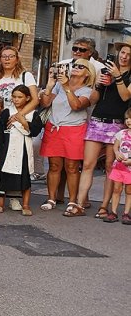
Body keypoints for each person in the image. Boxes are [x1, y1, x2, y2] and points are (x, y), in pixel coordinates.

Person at [37, 59, 99, 216]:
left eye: (80, 66)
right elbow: (45, 103)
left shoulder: (88, 91)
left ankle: (72, 201)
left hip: (74, 129)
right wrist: (50, 85)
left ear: (87, 73)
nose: (76, 68)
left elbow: (77, 106)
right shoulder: (59, 85)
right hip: (55, 128)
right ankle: (51, 198)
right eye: (75, 65)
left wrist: (66, 86)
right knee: (54, 165)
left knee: (71, 167)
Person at [79, 43, 131, 218]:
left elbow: (125, 96)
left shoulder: (128, 75)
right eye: (123, 52)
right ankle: (78, 204)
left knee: (110, 165)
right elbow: (94, 99)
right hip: (97, 120)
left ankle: (104, 206)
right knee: (87, 164)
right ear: (118, 53)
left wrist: (117, 77)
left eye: (129, 54)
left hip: (117, 123)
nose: (125, 57)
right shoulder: (105, 70)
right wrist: (98, 86)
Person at [0, 86, 43, 215]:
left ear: (27, 98)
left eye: (19, 97)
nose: (16, 100)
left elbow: (36, 131)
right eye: (14, 97)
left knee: (24, 177)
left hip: (24, 149)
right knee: (3, 175)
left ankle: (25, 205)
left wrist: (23, 122)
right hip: (8, 148)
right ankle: (0, 203)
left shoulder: (33, 114)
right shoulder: (7, 112)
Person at [105, 107, 131, 224]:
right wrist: (116, 153)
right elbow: (115, 146)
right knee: (116, 189)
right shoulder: (121, 133)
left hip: (129, 169)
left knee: (129, 191)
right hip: (119, 167)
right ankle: (113, 212)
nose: (128, 121)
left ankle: (126, 213)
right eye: (127, 118)